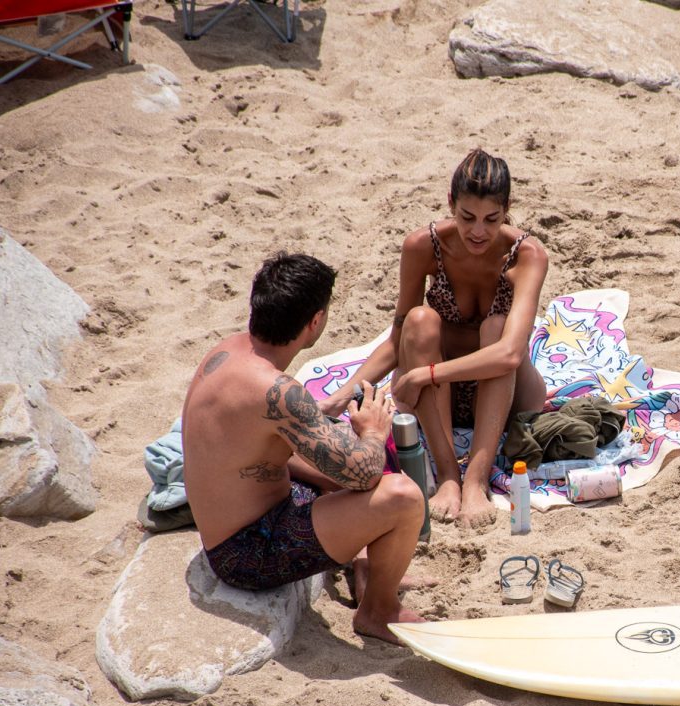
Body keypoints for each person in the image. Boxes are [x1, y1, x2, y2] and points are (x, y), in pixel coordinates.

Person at [182, 252, 428, 645]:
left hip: (235, 518)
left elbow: (258, 433)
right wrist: (373, 430)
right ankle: (378, 612)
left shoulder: (227, 350)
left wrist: (325, 415)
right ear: (315, 322)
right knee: (400, 494)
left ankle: (367, 567)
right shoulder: (275, 390)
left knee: (335, 456)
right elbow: (363, 471)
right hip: (247, 553)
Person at [317, 149, 550, 528]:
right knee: (421, 319)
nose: (478, 231)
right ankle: (447, 476)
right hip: (439, 401)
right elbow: (400, 338)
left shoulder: (526, 254)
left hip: (503, 392)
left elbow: (508, 355)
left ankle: (475, 480)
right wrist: (346, 393)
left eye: (492, 219)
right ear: (449, 204)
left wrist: (427, 374)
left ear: (507, 209)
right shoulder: (422, 246)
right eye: (467, 217)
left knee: (495, 329)